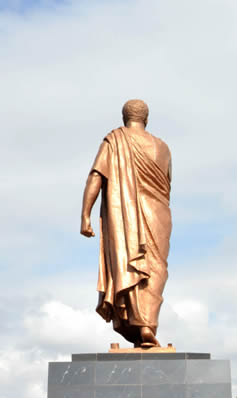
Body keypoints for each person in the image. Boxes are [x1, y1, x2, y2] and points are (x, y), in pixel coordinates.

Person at [81, 99, 172, 348]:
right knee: (156, 268)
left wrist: (85, 215)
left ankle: (141, 323)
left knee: (131, 265)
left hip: (126, 216)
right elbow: (167, 186)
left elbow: (96, 177)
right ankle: (147, 325)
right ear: (146, 119)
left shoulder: (114, 142)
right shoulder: (163, 148)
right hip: (159, 216)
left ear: (124, 118)